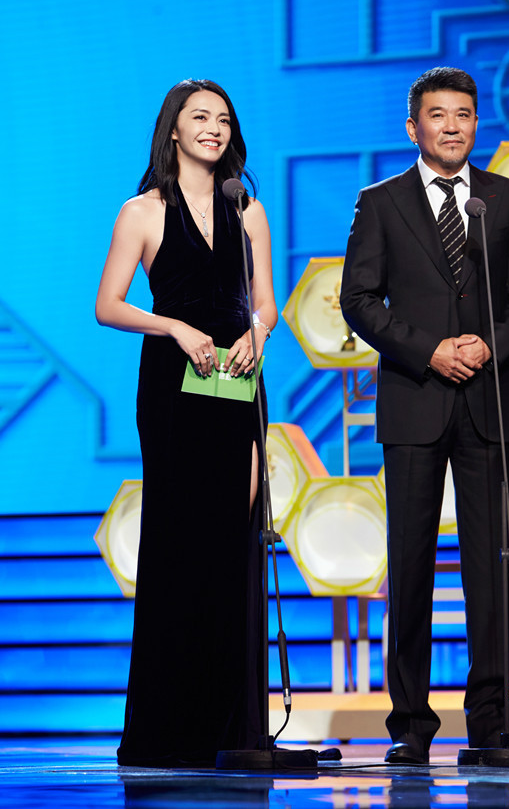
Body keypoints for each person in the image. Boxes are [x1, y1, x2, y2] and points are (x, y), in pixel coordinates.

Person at [340, 67, 509, 764]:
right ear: (414, 127)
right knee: (411, 564)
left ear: (476, 123)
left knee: (492, 564)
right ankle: (409, 725)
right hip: (414, 399)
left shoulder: (505, 199)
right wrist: (429, 350)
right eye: (438, 115)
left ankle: (490, 722)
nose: (452, 126)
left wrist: (487, 344)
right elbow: (358, 300)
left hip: (488, 401)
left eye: (464, 114)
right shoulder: (380, 202)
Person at [96, 79, 277, 767]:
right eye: (200, 117)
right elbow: (108, 305)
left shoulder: (248, 210)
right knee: (179, 544)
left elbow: (265, 304)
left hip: (236, 383)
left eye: (223, 119)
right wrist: (173, 325)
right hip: (173, 389)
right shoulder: (141, 211)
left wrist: (257, 334)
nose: (214, 128)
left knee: (234, 541)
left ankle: (233, 726)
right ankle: (168, 729)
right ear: (172, 128)